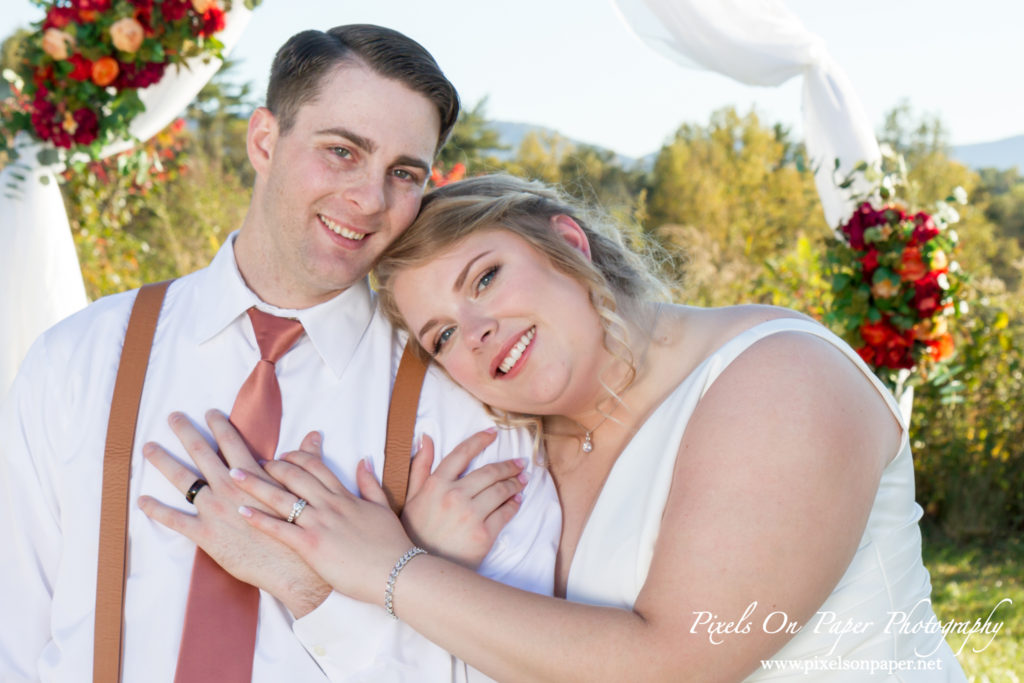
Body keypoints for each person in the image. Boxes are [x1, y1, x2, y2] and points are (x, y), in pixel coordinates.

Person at [206, 174, 968, 681]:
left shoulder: (781, 379)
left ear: (569, 244)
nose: (472, 331)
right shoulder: (525, 452)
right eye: (439, 335)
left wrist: (395, 569)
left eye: (486, 277)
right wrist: (420, 559)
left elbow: (673, 663)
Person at [0, 29, 559, 682]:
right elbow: (14, 636)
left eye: (404, 173)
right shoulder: (77, 359)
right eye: (342, 151)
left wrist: (331, 587)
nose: (371, 198)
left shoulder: (471, 414)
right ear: (264, 140)